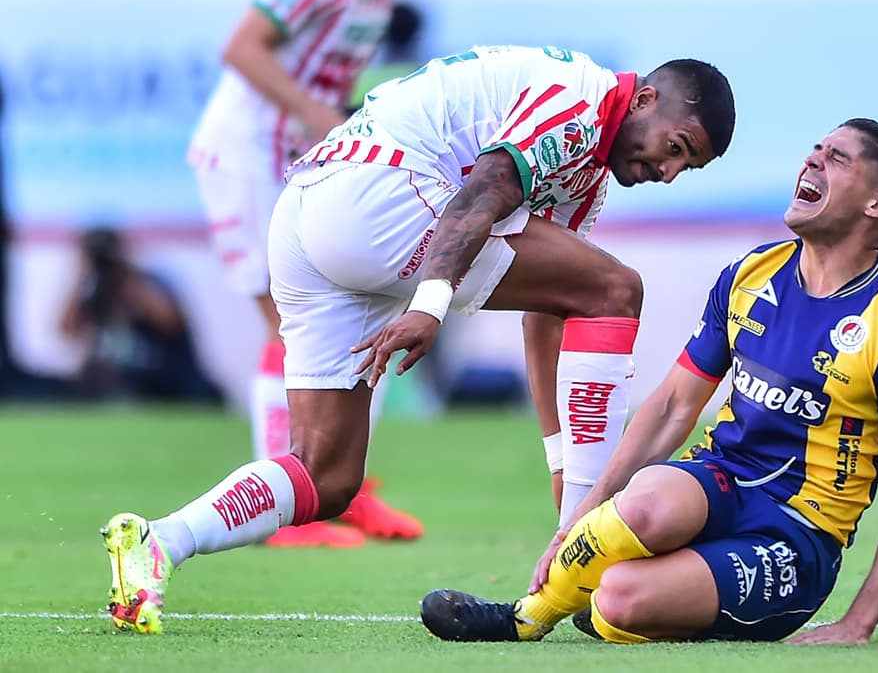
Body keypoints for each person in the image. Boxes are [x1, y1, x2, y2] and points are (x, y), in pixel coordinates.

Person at [100, 43, 736, 635]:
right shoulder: (583, 101)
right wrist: (431, 306)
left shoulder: (589, 166)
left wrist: (561, 462)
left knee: (326, 476)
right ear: (647, 101)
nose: (669, 170)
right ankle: (586, 546)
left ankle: (159, 541)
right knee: (619, 287)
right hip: (376, 197)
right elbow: (483, 192)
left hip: (306, 215)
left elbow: (552, 312)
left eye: (688, 166)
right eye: (676, 146)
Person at [420, 118, 878, 645]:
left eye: (837, 158)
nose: (812, 160)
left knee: (619, 599)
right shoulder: (751, 275)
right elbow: (674, 403)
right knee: (647, 501)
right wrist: (585, 512)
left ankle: (626, 605)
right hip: (721, 478)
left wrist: (858, 624)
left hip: (798, 534)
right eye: (816, 149)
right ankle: (525, 617)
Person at [185, 0, 451, 549]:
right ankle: (291, 505)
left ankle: (342, 486)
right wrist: (321, 119)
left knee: (353, 323)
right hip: (247, 156)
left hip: (292, 163)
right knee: (290, 325)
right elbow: (241, 45)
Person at [59, 227, 221, 404]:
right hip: (121, 384)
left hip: (168, 379)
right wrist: (80, 276)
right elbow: (65, 330)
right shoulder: (96, 294)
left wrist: (124, 270)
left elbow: (168, 320)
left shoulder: (151, 284)